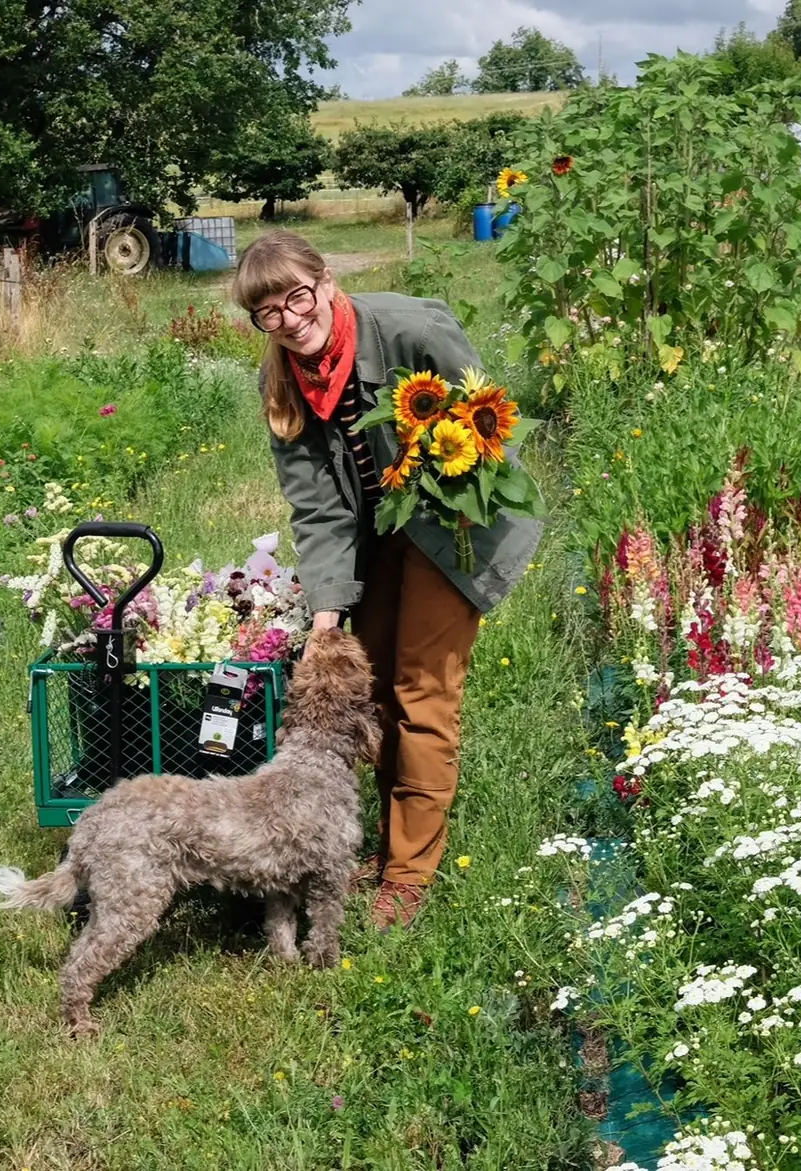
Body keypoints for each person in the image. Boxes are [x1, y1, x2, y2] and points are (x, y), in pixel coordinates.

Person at [233, 230, 542, 930]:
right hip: (377, 533)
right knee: (367, 686)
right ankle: (388, 842)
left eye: (297, 296)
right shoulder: (281, 377)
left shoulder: (407, 327)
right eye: (268, 312)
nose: (289, 318)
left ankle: (408, 874)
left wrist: (454, 481)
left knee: (422, 690)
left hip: (452, 522)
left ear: (327, 280)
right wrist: (325, 616)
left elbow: (489, 422)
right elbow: (316, 504)